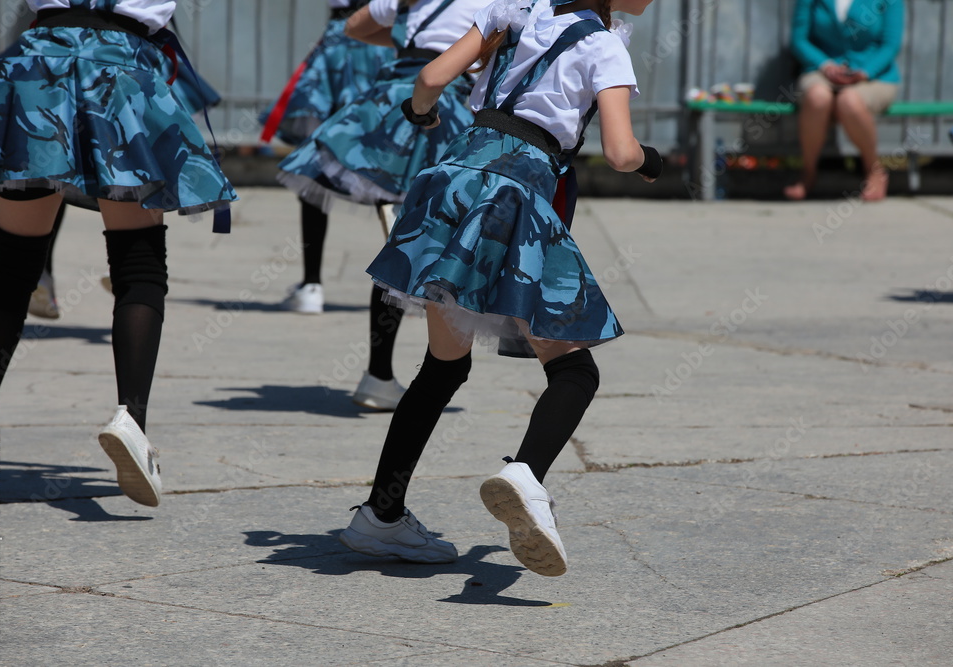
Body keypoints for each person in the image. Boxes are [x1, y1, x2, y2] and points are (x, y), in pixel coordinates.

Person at [338, 0, 661, 576]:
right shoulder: (605, 45)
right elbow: (619, 152)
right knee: (574, 369)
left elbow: (431, 77)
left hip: (453, 180)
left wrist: (421, 115)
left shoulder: (511, 13)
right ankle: (527, 476)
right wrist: (650, 161)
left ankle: (379, 516)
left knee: (442, 366)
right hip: (514, 193)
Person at [0, 1, 238, 507]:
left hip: (37, 64)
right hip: (120, 66)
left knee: (11, 263)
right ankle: (131, 422)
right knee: (138, 264)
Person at [278, 0, 492, 412]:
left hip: (392, 101)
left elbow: (355, 27)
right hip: (444, 104)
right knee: (442, 236)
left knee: (405, 239)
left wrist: (402, 37)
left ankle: (379, 372)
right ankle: (418, 367)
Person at [27, 46, 225, 320]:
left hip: (56, 58)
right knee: (131, 162)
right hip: (122, 58)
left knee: (56, 169)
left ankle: (41, 274)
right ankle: (126, 261)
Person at [259, 1, 393, 315]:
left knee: (316, 165)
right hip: (384, 41)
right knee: (390, 169)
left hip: (345, 37)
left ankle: (311, 284)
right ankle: (406, 283)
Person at [784, 0, 904, 202]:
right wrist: (824, 65)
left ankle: (874, 170)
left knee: (849, 101)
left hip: (875, 75)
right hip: (820, 69)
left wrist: (865, 72)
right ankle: (808, 172)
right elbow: (798, 40)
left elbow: (890, 45)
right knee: (817, 97)